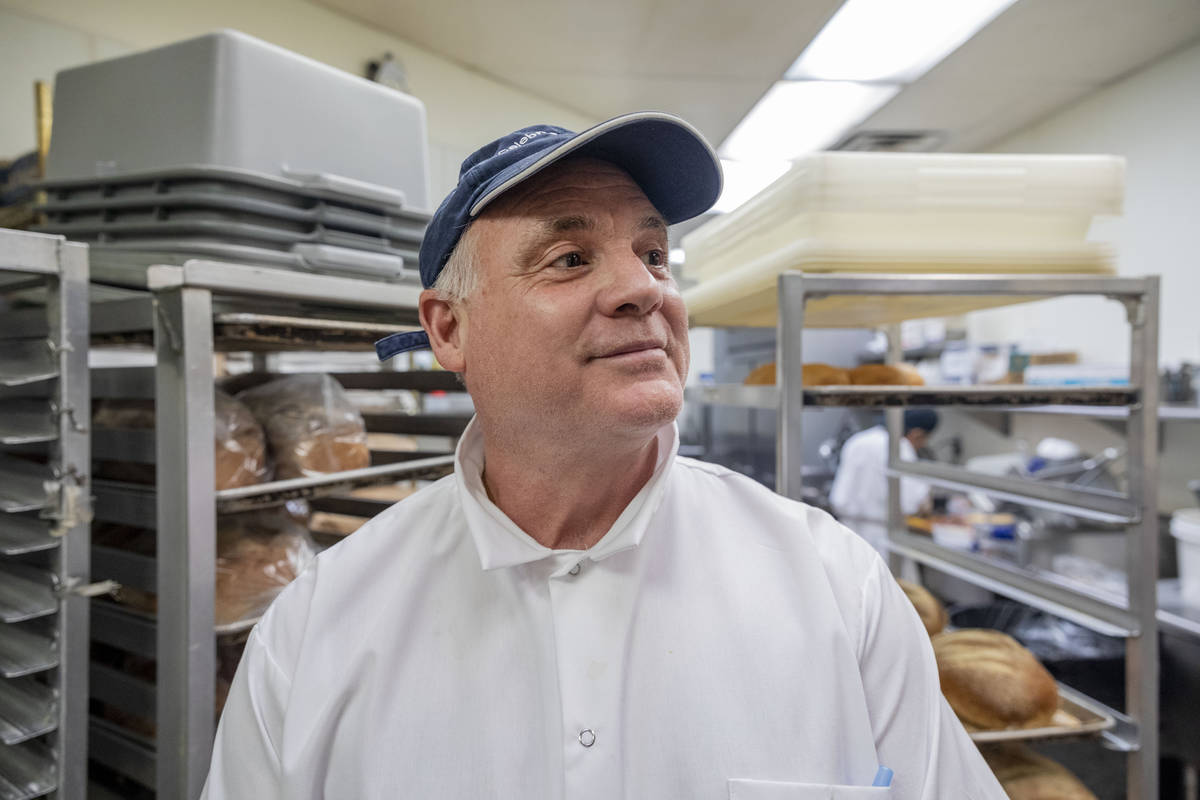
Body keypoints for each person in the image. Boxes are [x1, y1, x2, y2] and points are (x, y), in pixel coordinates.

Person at [202, 113, 1003, 799]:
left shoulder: (838, 590)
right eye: (570, 258)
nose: (644, 288)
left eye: (654, 253)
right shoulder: (317, 632)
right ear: (450, 329)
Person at [829, 409, 939, 552]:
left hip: (847, 532)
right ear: (916, 433)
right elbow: (914, 503)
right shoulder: (898, 448)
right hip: (884, 537)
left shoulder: (858, 440)